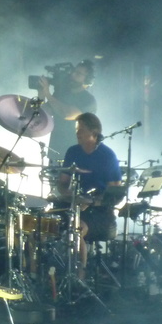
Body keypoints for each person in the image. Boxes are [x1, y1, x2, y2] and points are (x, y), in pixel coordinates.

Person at [57, 112, 121, 275]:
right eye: (77, 129)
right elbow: (62, 184)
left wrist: (91, 201)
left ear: (94, 132)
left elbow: (116, 195)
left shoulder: (107, 156)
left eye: (81, 129)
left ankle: (79, 277)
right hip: (75, 206)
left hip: (100, 213)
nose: (77, 133)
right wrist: (72, 196)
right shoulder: (72, 152)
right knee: (41, 224)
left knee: (75, 229)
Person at [35, 59, 96, 158]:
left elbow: (67, 114)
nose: (73, 75)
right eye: (74, 72)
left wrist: (47, 93)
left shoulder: (88, 100)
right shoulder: (61, 95)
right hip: (56, 149)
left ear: (87, 79)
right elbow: (44, 113)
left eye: (78, 74)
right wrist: (41, 94)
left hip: (77, 152)